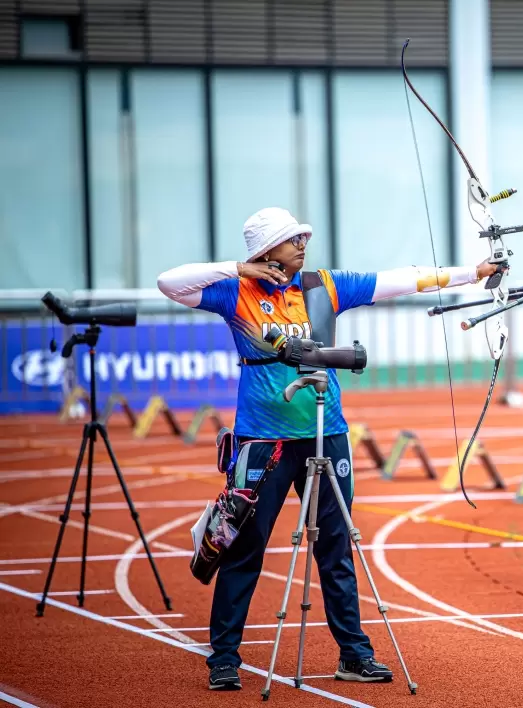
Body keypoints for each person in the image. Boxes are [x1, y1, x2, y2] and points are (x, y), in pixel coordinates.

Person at [157, 206, 498, 692]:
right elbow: (169, 282)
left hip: (326, 431)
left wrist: (472, 273)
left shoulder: (324, 285)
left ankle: (354, 655)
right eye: (291, 238)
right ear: (264, 251)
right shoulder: (237, 291)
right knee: (244, 548)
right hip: (264, 440)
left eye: (302, 236)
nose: (302, 242)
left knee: (336, 549)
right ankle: (224, 658)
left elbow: (399, 280)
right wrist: (239, 268)